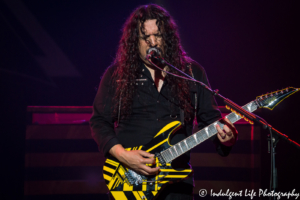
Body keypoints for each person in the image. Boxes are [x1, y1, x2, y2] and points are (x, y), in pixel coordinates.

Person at [90, 4, 238, 200]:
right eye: (145, 37)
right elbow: (99, 122)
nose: (153, 41)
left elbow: (211, 121)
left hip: (177, 183)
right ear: (135, 41)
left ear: (167, 37)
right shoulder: (117, 75)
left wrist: (227, 139)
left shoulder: (191, 73)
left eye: (158, 35)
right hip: (130, 181)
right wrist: (123, 155)